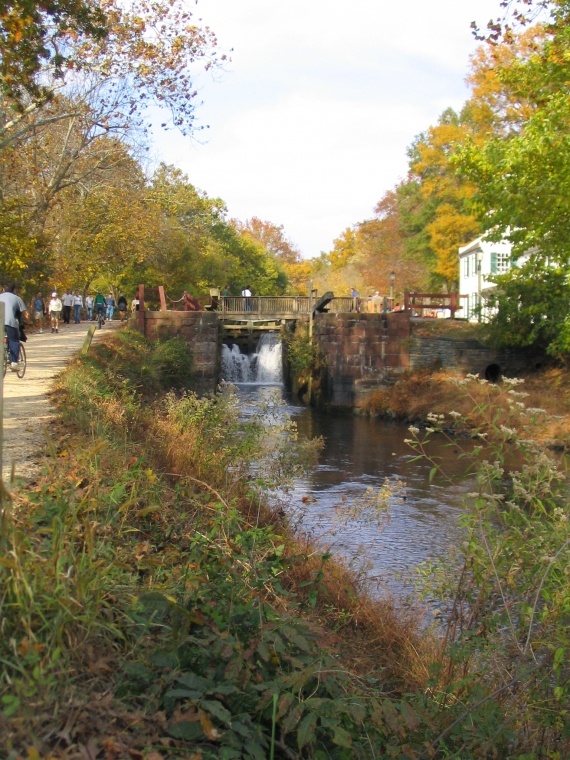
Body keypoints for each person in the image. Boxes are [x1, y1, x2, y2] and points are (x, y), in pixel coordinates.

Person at [0, 283, 28, 370]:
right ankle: (14, 363)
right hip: (10, 323)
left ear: (3, 289)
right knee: (14, 340)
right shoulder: (17, 298)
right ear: (14, 290)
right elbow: (25, 313)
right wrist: (28, 321)